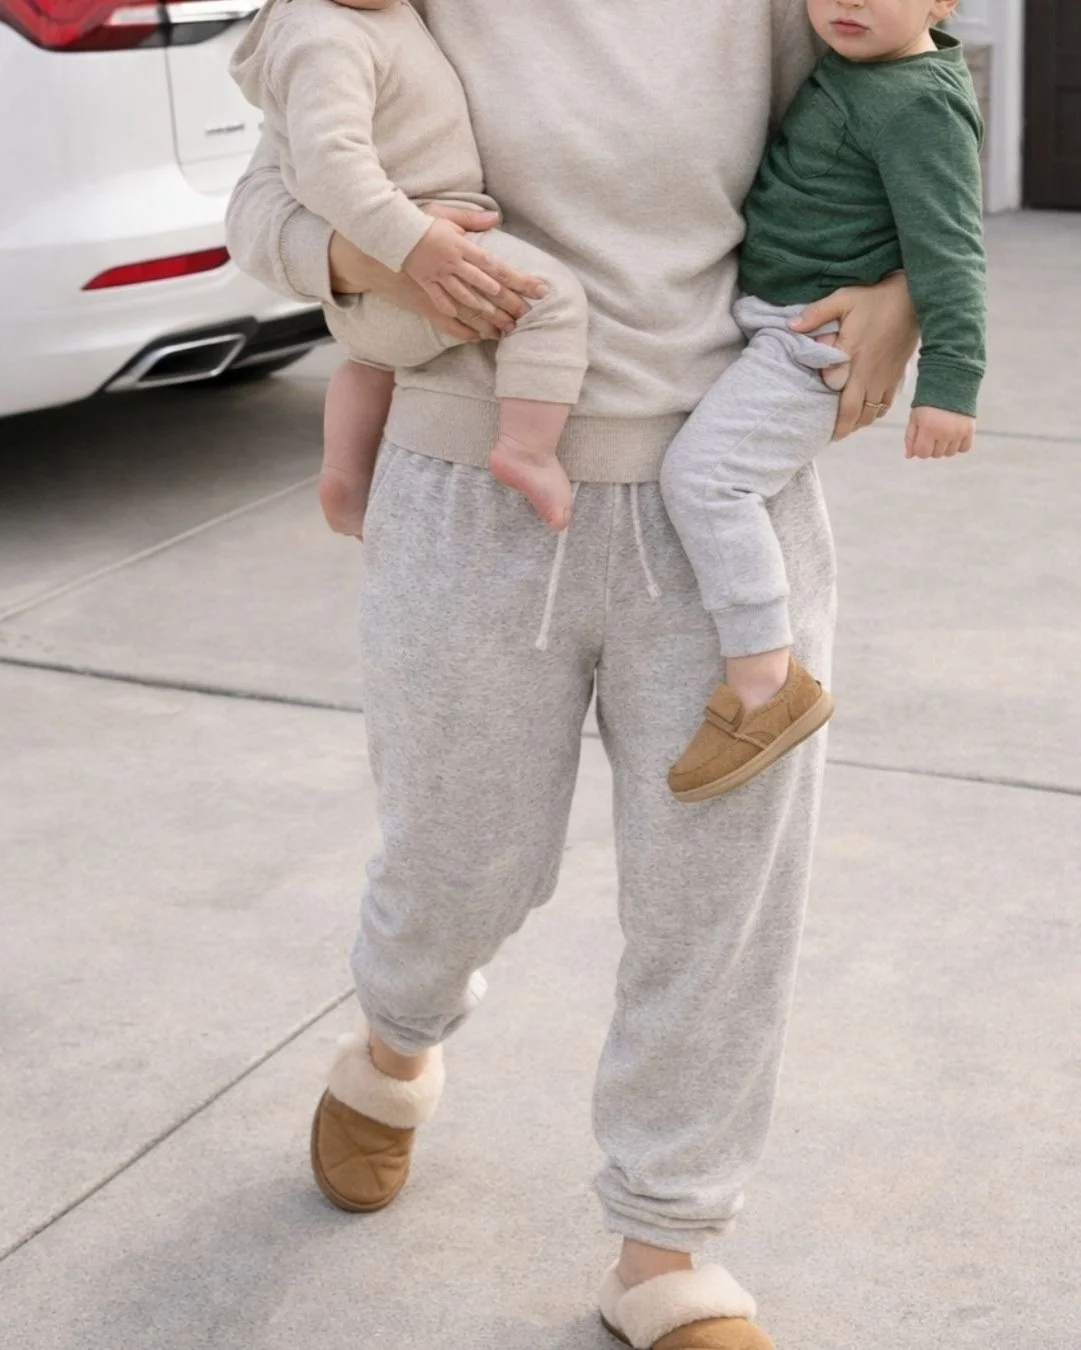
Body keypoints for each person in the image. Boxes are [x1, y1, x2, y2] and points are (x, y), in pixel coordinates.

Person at [225, 2, 919, 1346]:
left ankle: (665, 1244)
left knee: (719, 902)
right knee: (457, 860)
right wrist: (375, 255)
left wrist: (906, 291)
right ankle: (396, 1037)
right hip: (469, 492)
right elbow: (264, 199)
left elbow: (901, 104)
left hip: (724, 511)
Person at [661, 0, 986, 805]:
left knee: (706, 481)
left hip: (810, 343)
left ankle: (765, 683)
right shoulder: (860, 64)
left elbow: (951, 252)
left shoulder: (918, 103)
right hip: (768, 316)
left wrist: (949, 386)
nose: (847, 2)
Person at [230, 0, 588, 535]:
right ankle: (526, 451)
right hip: (413, 237)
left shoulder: (377, 12)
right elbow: (327, 163)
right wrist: (410, 243)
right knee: (545, 299)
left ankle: (344, 480)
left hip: (383, 276)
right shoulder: (323, 35)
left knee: (367, 361)